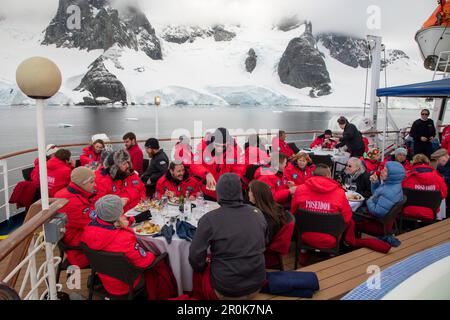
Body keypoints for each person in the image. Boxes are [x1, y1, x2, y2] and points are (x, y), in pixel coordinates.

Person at [189, 173, 267, 300]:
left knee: (198, 273)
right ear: (240, 191)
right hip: (256, 282)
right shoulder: (257, 213)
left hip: (227, 288)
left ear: (219, 192)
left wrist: (202, 267)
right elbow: (265, 241)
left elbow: (195, 256)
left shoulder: (210, 219)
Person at [80, 195, 156, 296]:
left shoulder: (88, 229)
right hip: (127, 284)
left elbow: (113, 225)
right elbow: (145, 262)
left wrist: (134, 219)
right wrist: (153, 253)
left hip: (107, 279)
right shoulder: (124, 239)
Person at [290, 164, 352, 249]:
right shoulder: (340, 193)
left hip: (304, 235)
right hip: (331, 238)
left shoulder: (300, 189)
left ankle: (303, 251)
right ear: (328, 176)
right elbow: (347, 218)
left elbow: (293, 212)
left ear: (313, 175)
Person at [54, 167, 97, 268]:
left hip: (70, 238)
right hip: (79, 250)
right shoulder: (74, 203)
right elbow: (96, 222)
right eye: (91, 182)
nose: (95, 185)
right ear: (83, 183)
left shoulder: (64, 193)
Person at [190, 128, 245, 200]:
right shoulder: (203, 147)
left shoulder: (235, 150)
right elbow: (194, 164)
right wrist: (206, 173)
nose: (220, 149)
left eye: (223, 146)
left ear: (228, 142)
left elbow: (239, 169)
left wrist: (230, 181)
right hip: (208, 191)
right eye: (217, 145)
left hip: (226, 192)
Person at [402, 154, 447, 221]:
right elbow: (444, 194)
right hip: (430, 213)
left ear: (413, 163)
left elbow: (400, 194)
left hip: (409, 212)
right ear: (428, 163)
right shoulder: (438, 177)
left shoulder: (407, 177)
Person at [248, 180, 293, 244]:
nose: (248, 193)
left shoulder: (264, 217)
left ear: (255, 195)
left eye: (249, 191)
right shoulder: (274, 209)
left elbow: (262, 239)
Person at [432, 148, 450, 218]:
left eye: (439, 159)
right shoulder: (440, 166)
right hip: (443, 190)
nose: (438, 162)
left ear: (446, 156)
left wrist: (443, 178)